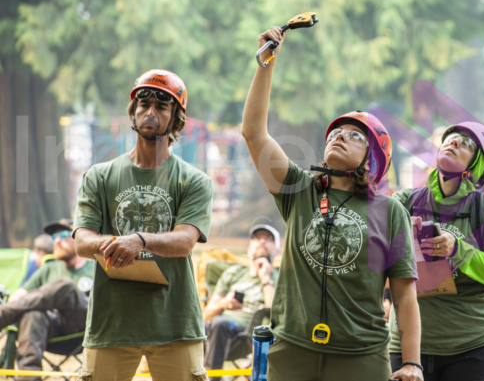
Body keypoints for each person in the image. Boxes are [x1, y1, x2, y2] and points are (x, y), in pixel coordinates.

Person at [242, 27, 422, 381]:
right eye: (337, 132)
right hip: (291, 349)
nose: (341, 135)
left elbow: (404, 297)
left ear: (372, 161)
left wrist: (412, 362)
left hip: (361, 357)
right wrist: (265, 64)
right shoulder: (298, 189)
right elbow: (254, 133)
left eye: (356, 136)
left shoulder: (390, 212)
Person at [73, 69, 213, 381]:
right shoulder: (99, 176)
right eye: (143, 104)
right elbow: (82, 242)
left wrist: (139, 240)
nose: (150, 112)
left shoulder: (194, 181)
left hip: (175, 321)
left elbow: (185, 241)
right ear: (133, 115)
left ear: (175, 118)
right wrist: (115, 244)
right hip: (112, 322)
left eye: (161, 107)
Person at [389, 123, 484, 381]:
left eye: (466, 144)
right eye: (451, 138)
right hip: (406, 347)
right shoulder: (404, 202)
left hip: (475, 348)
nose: (454, 142)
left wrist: (457, 249)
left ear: (476, 168)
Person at [0, 219, 93, 381]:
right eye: (54, 237)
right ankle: (28, 378)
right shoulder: (47, 268)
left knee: (66, 286)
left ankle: (4, 315)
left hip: (85, 328)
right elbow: (21, 295)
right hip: (51, 330)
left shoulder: (94, 267)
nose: (57, 241)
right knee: (32, 314)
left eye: (64, 235)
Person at [203, 224, 280, 380]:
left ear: (277, 250)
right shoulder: (233, 273)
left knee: (219, 323)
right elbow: (205, 316)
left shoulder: (279, 278)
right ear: (249, 249)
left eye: (268, 239)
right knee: (200, 326)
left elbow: (275, 313)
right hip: (213, 332)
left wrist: (265, 278)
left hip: (247, 337)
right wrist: (223, 304)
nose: (262, 242)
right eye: (257, 239)